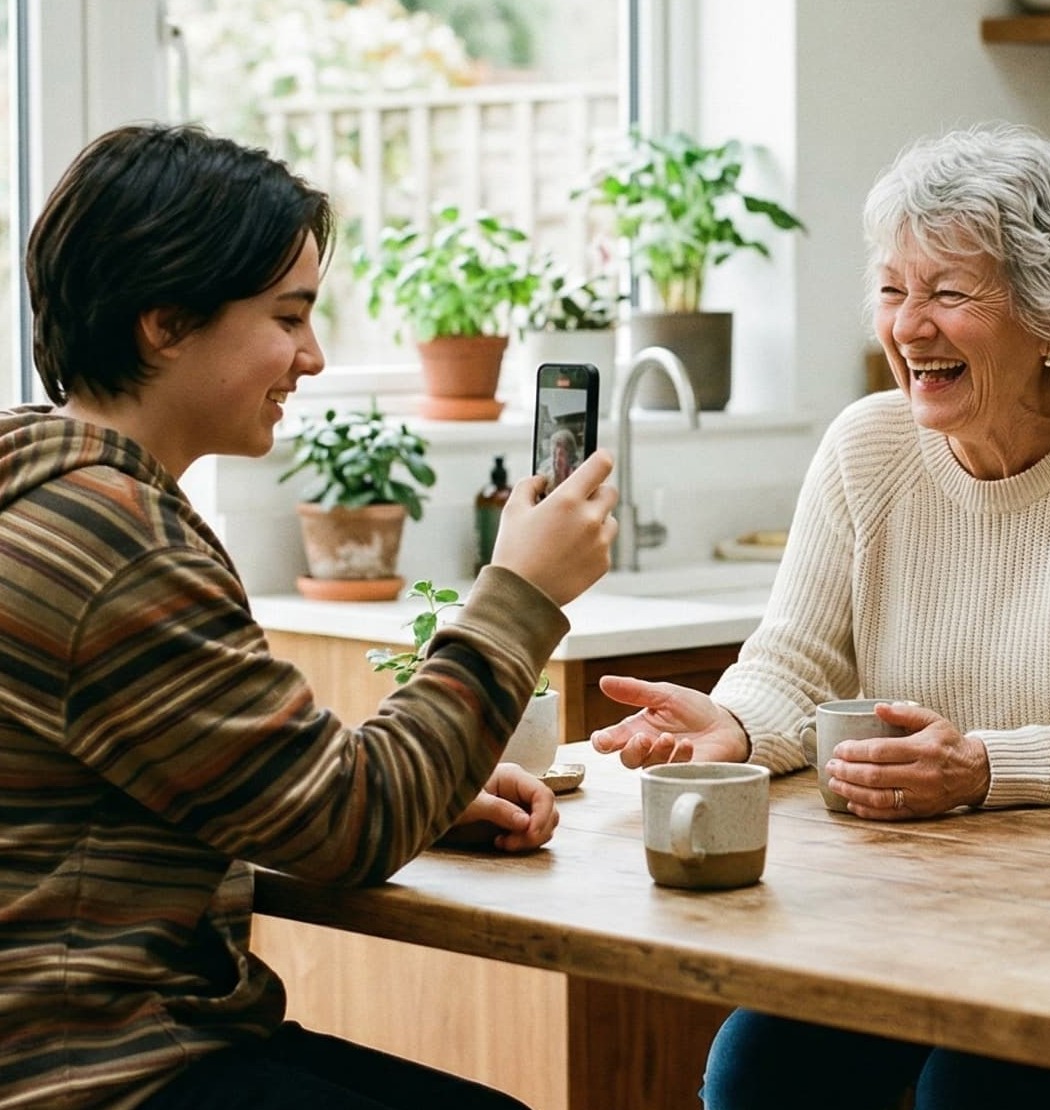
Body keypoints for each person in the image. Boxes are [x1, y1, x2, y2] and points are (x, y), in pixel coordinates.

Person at [591, 124, 1050, 1109]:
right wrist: (738, 725)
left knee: (970, 1096)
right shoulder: (867, 442)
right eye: (893, 290)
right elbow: (793, 661)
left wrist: (979, 768)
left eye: (949, 293)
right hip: (899, 904)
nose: (909, 325)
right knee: (756, 1072)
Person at [0, 123, 619, 1110]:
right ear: (164, 320)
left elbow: (203, 784)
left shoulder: (44, 493)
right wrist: (523, 591)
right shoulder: (113, 545)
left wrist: (429, 789)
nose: (316, 355)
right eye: (290, 316)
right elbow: (353, 823)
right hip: (95, 1069)